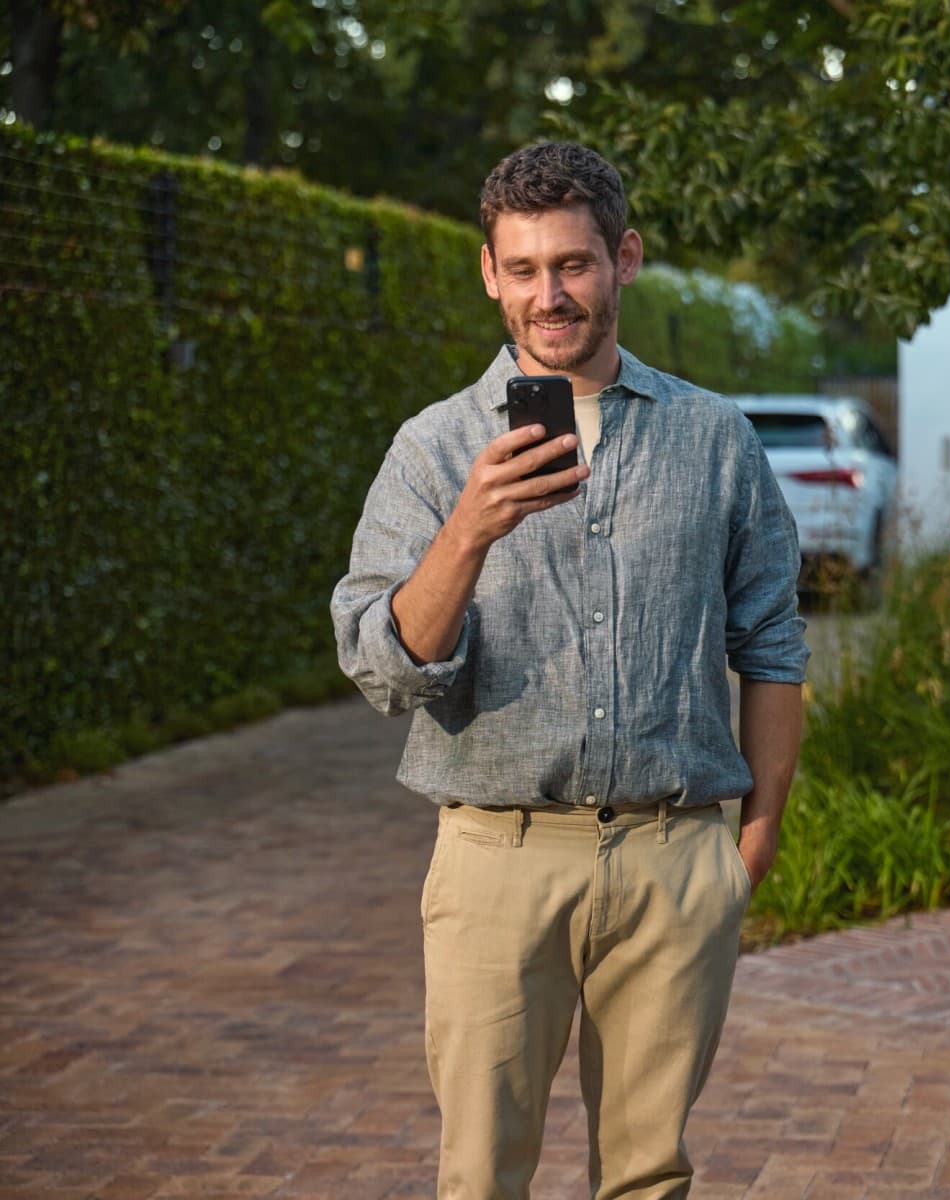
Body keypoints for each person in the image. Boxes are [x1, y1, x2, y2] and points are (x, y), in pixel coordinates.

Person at [329, 140, 808, 1200]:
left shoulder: (715, 438)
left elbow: (771, 645)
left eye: (576, 264)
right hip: (497, 858)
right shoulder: (433, 450)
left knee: (649, 1175)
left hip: (673, 859)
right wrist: (468, 530)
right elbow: (378, 666)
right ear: (490, 273)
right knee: (482, 1175)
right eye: (528, 269)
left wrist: (756, 839)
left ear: (623, 258)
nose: (553, 294)